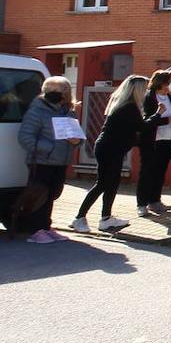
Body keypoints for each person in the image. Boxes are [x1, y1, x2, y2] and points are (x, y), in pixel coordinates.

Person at [70, 75, 156, 234]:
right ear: (137, 90)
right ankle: (79, 218)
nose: (147, 92)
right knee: (103, 183)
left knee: (112, 183)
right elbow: (143, 128)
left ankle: (106, 218)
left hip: (112, 148)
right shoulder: (129, 107)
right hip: (109, 148)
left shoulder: (125, 105)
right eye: (145, 89)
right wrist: (157, 115)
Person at [17, 76, 80, 243]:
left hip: (60, 161)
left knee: (52, 195)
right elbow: (25, 137)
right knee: (39, 196)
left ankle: (46, 226)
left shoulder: (68, 111)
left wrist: (77, 141)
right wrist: (50, 148)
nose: (55, 94)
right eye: (50, 91)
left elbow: (76, 135)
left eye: (59, 91)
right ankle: (35, 230)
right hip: (41, 161)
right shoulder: (37, 111)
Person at [137, 71, 171, 217]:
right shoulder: (149, 97)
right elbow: (147, 120)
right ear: (161, 82)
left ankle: (155, 200)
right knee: (147, 172)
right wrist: (167, 120)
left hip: (168, 139)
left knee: (160, 172)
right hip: (152, 141)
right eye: (170, 81)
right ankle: (142, 204)